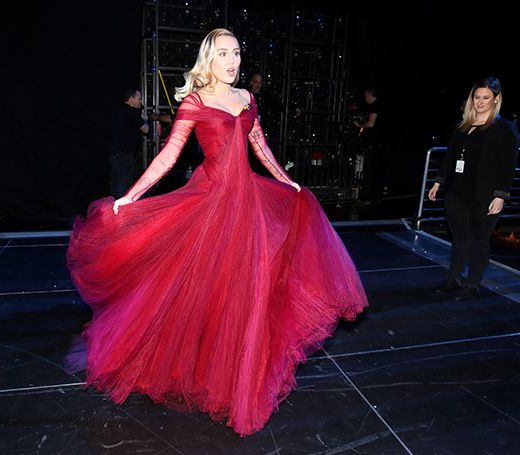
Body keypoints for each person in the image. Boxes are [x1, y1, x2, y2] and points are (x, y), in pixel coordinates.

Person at [66, 28, 367, 437]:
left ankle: (234, 376)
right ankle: (186, 363)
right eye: (223, 53)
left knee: (247, 293)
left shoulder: (246, 99)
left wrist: (287, 182)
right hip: (212, 205)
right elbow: (169, 156)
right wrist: (131, 197)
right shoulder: (195, 101)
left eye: (237, 53)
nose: (232, 60)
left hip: (249, 206)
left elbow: (260, 146)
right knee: (197, 288)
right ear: (209, 58)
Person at [428, 77, 519, 300]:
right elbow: (450, 156)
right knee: (459, 238)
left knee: (479, 239)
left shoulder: (504, 129)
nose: (480, 102)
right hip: (456, 192)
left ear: (495, 99)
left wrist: (500, 196)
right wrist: (438, 182)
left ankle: (473, 282)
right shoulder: (463, 126)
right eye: (476, 97)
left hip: (484, 195)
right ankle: (454, 277)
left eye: (485, 97)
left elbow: (508, 165)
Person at [109, 89, 149, 198]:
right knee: (125, 183)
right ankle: (122, 210)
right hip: (124, 155)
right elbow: (146, 130)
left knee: (116, 182)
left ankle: (113, 209)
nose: (141, 102)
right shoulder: (132, 113)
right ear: (131, 99)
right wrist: (145, 120)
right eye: (139, 99)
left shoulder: (118, 110)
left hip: (114, 153)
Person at [353, 87, 385, 204]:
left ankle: (370, 197)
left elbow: (371, 123)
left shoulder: (374, 106)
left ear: (370, 95)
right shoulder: (380, 105)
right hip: (379, 143)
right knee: (376, 170)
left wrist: (359, 124)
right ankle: (376, 197)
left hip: (374, 143)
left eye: (366, 96)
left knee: (370, 170)